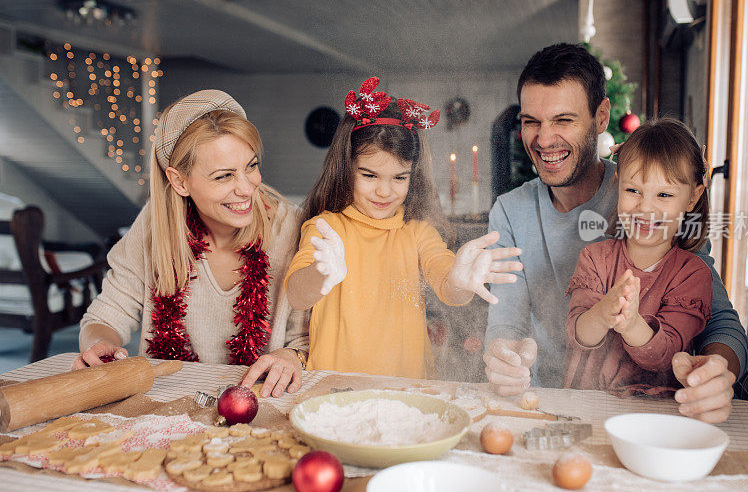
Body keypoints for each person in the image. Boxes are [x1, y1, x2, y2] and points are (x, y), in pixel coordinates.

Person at [483, 43, 748, 424]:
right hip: (543, 405)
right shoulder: (509, 211)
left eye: (563, 120)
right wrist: (503, 357)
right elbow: (505, 322)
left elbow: (718, 320)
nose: (543, 140)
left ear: (602, 115)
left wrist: (716, 373)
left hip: (653, 412)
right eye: (530, 121)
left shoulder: (654, 200)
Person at [75, 90, 309, 399]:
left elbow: (306, 339)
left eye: (251, 166)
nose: (247, 188)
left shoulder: (291, 229)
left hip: (263, 403)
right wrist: (99, 345)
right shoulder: (152, 228)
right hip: (168, 404)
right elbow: (104, 318)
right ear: (180, 181)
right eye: (224, 176)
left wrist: (292, 356)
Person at [285, 77, 522, 378]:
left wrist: (460, 281)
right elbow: (296, 295)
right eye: (370, 176)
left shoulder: (418, 232)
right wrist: (320, 274)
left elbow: (447, 283)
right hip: (335, 390)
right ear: (346, 168)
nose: (385, 191)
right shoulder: (327, 229)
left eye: (399, 177)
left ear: (413, 176)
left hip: (407, 391)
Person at [564, 119, 712, 396]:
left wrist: (631, 325)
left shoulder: (693, 274)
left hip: (657, 416)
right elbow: (578, 335)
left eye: (664, 194)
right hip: (586, 405)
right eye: (633, 191)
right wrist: (603, 312)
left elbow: (666, 355)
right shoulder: (595, 259)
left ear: (692, 198)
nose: (645, 207)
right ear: (619, 184)